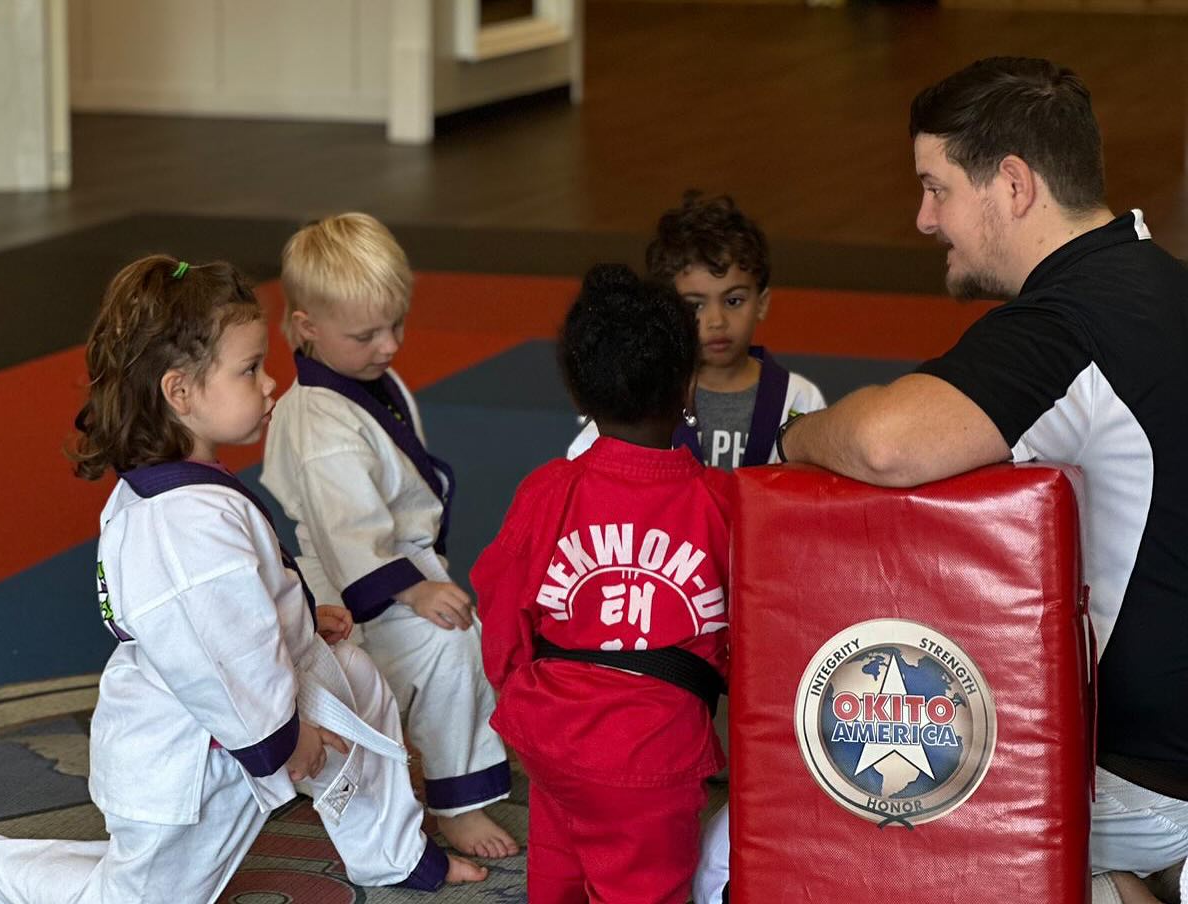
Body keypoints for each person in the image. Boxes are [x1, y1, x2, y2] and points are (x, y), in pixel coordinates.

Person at [774, 57, 1188, 904]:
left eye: (937, 188)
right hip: (1172, 752)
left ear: (1013, 183)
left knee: (868, 806)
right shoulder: (1160, 283)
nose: (925, 219)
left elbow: (890, 443)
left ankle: (1108, 876)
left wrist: (793, 436)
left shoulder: (1068, 323)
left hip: (1145, 779)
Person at [0, 255, 486, 904]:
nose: (272, 382)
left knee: (361, 691)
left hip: (263, 690)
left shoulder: (189, 491)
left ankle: (392, 855)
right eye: (250, 370)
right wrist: (279, 744)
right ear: (181, 393)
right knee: (137, 897)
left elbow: (246, 595)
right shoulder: (179, 525)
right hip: (195, 748)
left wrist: (303, 618)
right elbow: (213, 653)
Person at [473, 264, 732, 904]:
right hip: (654, 754)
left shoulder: (548, 490)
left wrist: (524, 690)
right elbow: (757, 636)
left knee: (557, 868)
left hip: (552, 734)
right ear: (689, 387)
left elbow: (502, 610)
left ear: (579, 398)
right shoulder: (721, 505)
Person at [260, 213, 517, 859]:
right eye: (367, 333)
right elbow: (346, 532)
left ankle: (436, 781)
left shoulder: (367, 381)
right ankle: (431, 801)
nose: (389, 345)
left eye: (396, 325)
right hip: (349, 592)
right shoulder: (319, 422)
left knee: (451, 650)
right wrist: (413, 591)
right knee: (439, 654)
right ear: (305, 326)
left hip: (394, 567)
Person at [568, 191, 825, 469]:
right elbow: (587, 468)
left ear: (761, 304)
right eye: (694, 306)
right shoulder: (644, 395)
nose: (717, 320)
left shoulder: (798, 397)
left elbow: (821, 489)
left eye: (733, 300)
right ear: (668, 311)